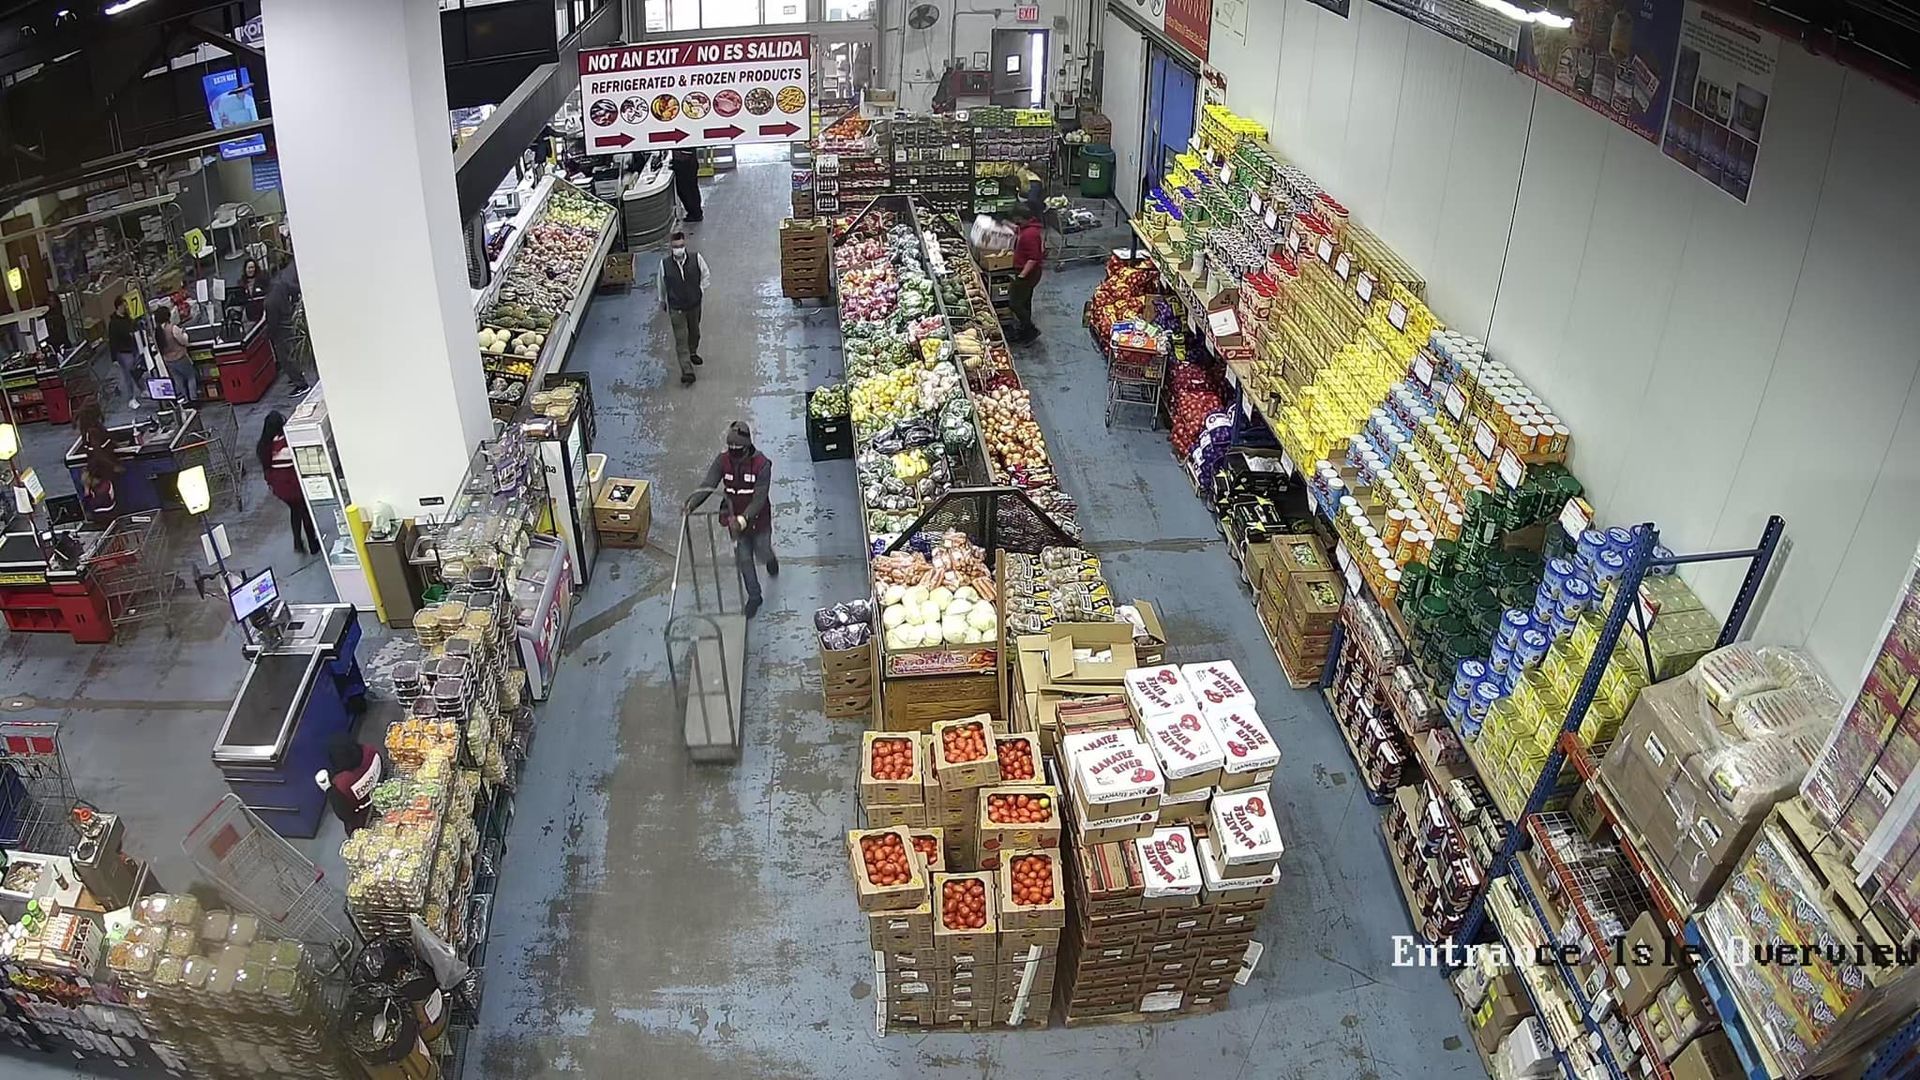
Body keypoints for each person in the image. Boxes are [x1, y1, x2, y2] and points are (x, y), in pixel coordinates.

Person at [686, 421, 778, 619]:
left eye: (738, 450)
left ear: (747, 447)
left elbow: (759, 499)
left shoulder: (762, 465)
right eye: (731, 449)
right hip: (734, 521)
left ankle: (770, 558)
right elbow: (709, 483)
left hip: (758, 520)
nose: (734, 454)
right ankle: (754, 597)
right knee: (744, 559)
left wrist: (743, 519)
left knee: (762, 551)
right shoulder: (722, 461)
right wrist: (692, 503)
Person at [258, 410, 321, 555]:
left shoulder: (263, 446)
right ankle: (313, 544)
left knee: (295, 510)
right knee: (305, 513)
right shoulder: (286, 444)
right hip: (294, 486)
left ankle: (298, 542)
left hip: (280, 489)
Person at [657, 230, 711, 386]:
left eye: (680, 245)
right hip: (677, 307)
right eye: (675, 246)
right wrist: (662, 300)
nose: (678, 249)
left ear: (684, 244)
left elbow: (706, 274)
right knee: (681, 338)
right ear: (671, 247)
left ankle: (692, 352)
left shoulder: (696, 259)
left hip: (694, 305)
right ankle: (687, 371)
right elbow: (661, 283)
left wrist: (699, 289)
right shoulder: (664, 265)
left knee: (694, 332)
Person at [315, 735, 382, 834]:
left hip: (364, 821)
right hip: (382, 799)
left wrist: (329, 789)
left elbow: (345, 815)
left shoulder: (342, 784)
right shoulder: (371, 752)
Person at [265, 260, 310, 397]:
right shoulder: (280, 285)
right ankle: (298, 375)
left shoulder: (270, 302)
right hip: (289, 321)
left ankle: (301, 384)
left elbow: (272, 322)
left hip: (280, 330)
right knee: (293, 353)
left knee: (286, 357)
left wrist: (268, 335)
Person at [1008, 208, 1046, 343]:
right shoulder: (1027, 228)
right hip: (1027, 272)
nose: (1015, 222)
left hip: (1027, 274)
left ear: (1021, 218)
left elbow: (1033, 258)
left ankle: (1030, 329)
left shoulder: (1029, 234)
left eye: (1016, 219)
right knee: (1025, 301)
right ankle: (1025, 329)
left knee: (1015, 303)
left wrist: (1022, 276)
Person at [106, 295, 145, 412]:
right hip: (123, 352)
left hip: (133, 348)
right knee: (128, 375)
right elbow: (112, 340)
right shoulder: (114, 323)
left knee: (137, 370)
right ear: (119, 306)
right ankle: (131, 398)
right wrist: (114, 358)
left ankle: (143, 389)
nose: (127, 307)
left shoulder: (128, 318)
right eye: (124, 305)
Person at [153, 305, 198, 403]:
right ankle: (193, 398)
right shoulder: (173, 328)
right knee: (190, 376)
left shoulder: (157, 332)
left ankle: (185, 400)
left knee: (178, 380)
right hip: (180, 357)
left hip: (168, 360)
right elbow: (183, 341)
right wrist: (185, 335)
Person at [669, 148, 702, 222]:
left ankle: (694, 213)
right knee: (690, 188)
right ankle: (695, 212)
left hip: (685, 161)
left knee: (686, 190)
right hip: (686, 160)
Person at [236, 257, 269, 323]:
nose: (251, 270)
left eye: (252, 267)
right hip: (250, 316)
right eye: (249, 268)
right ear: (245, 269)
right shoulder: (241, 282)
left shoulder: (262, 279)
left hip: (263, 314)